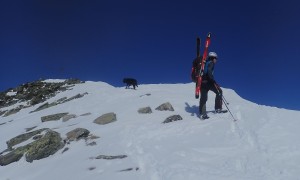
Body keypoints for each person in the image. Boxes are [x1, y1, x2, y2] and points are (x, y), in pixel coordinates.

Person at [199, 52, 223, 119]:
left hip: (202, 83)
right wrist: (212, 80)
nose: (216, 60)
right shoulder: (211, 63)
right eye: (216, 58)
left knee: (203, 97)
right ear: (213, 58)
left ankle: (202, 113)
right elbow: (209, 71)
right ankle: (218, 108)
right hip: (209, 82)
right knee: (219, 91)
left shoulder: (205, 63)